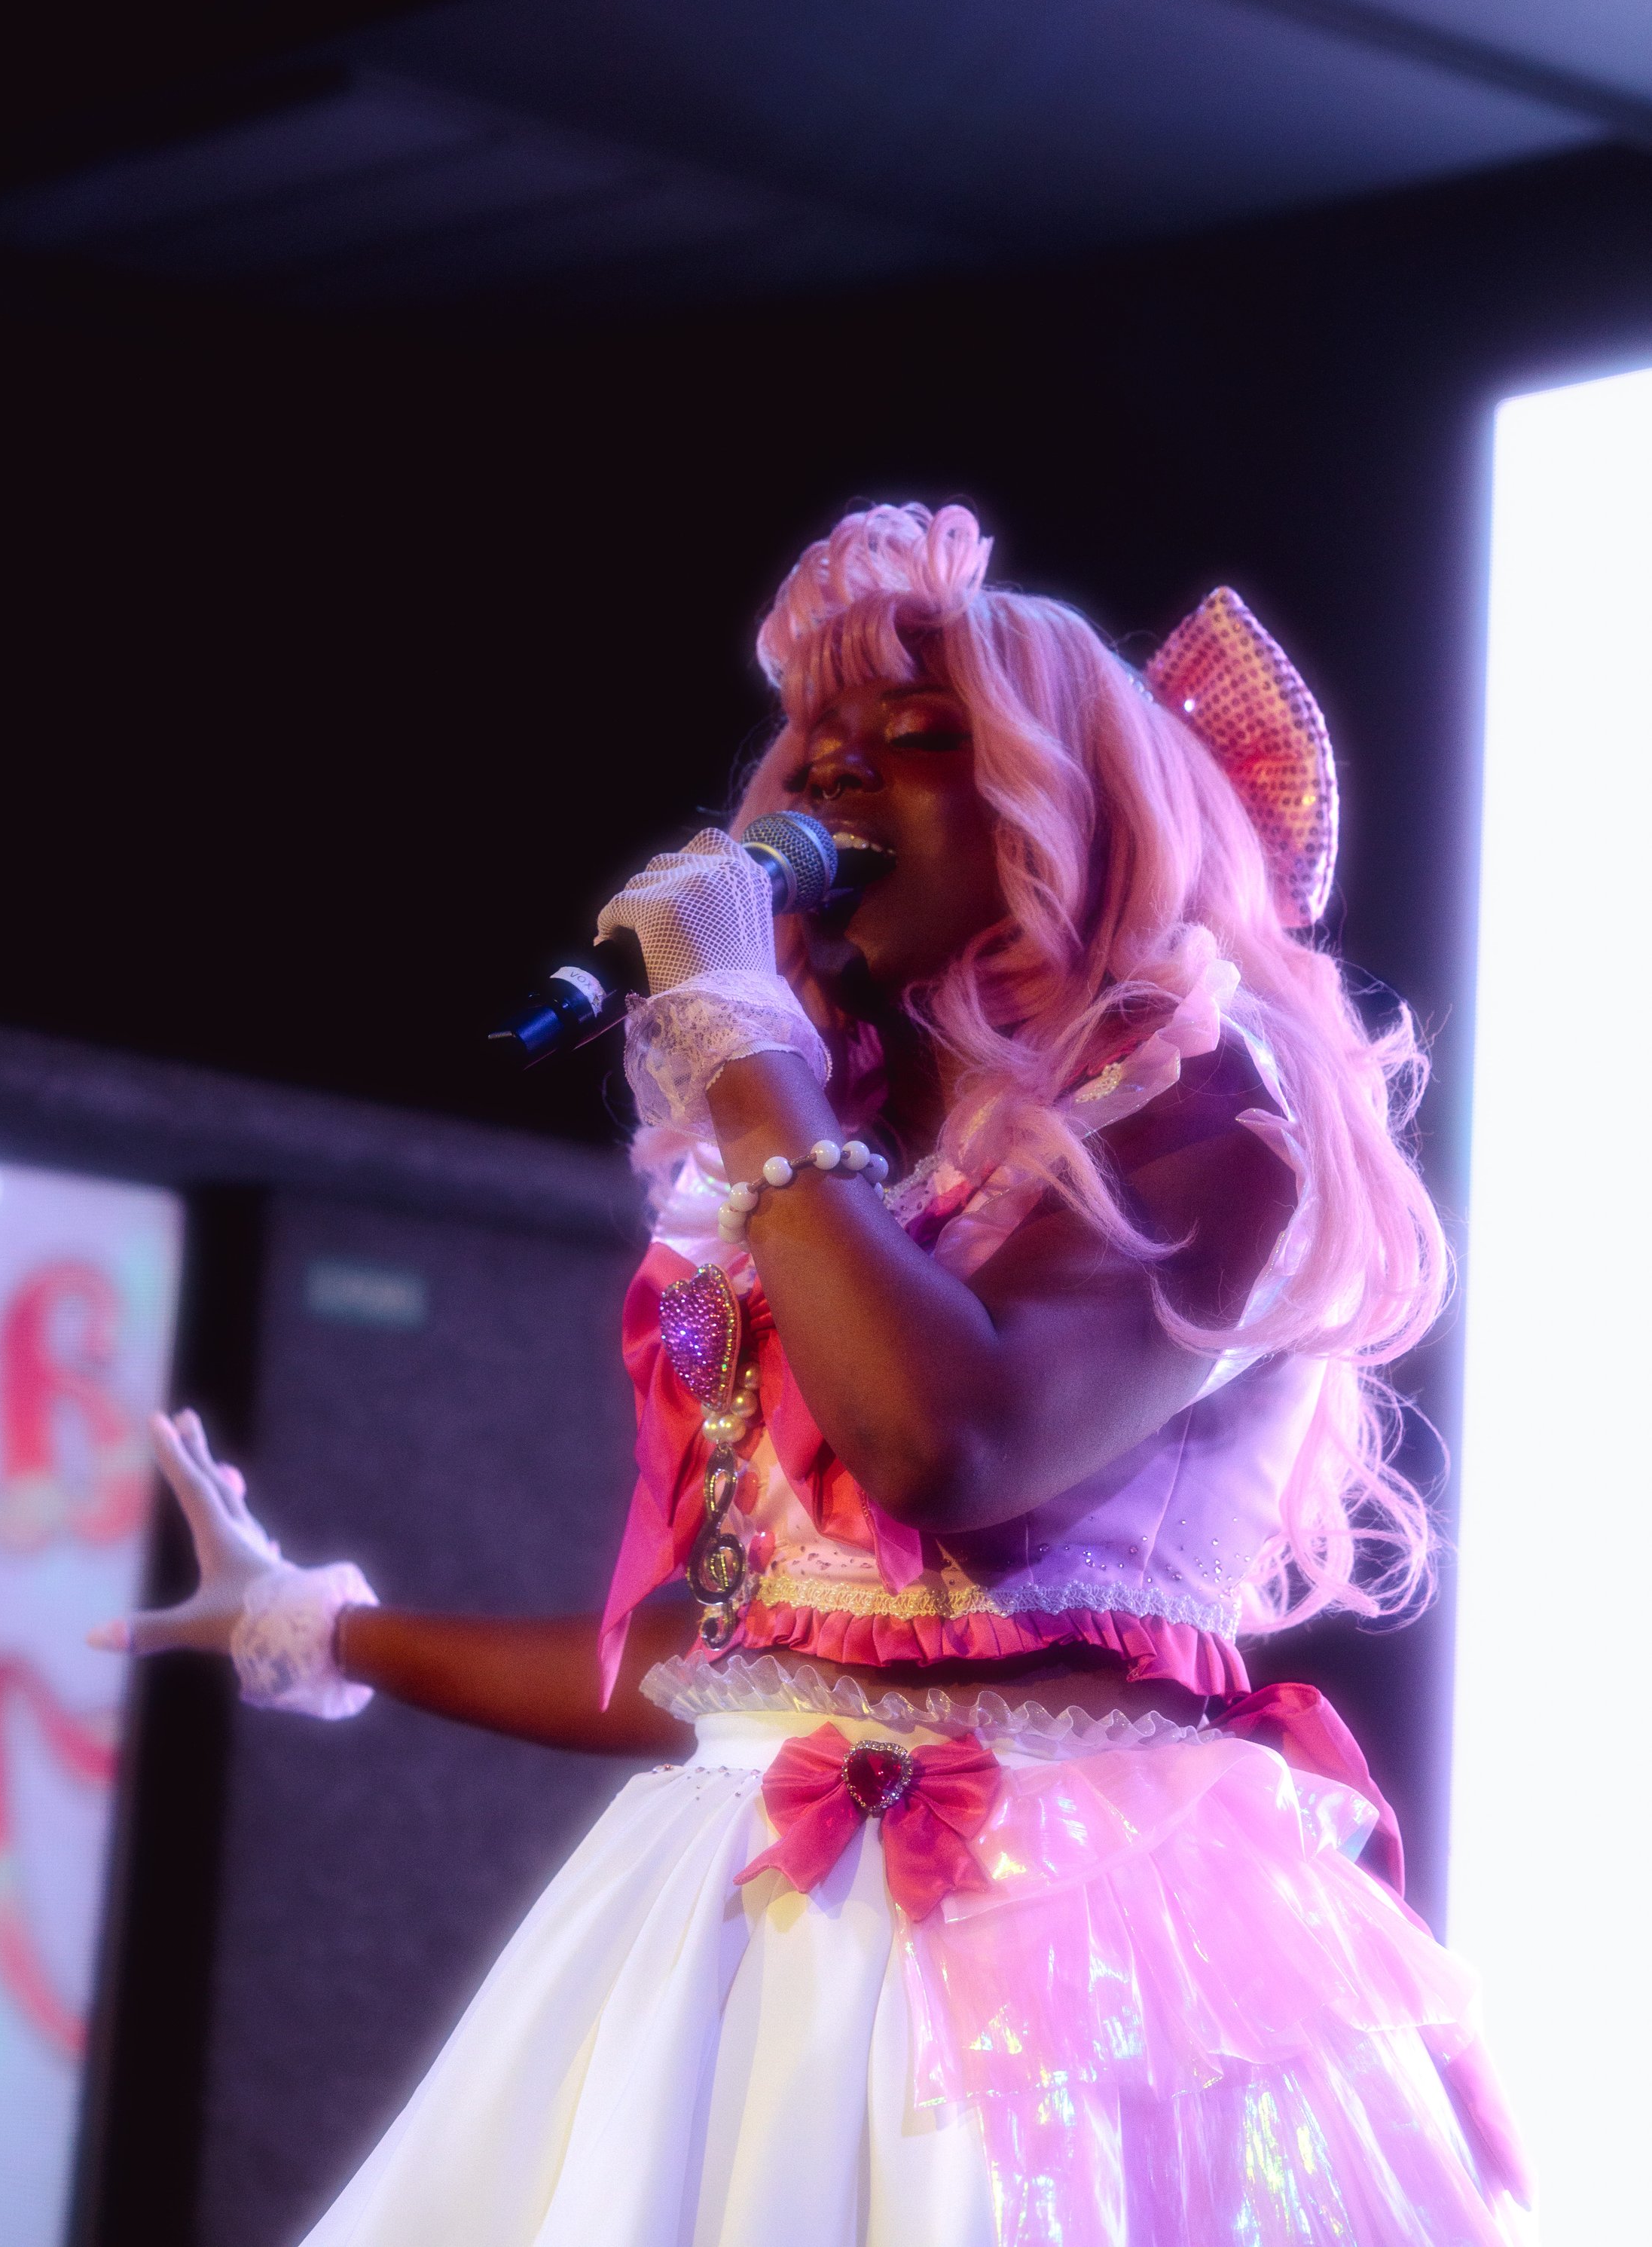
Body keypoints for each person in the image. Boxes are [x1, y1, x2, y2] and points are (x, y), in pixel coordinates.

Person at [102, 503, 1531, 2245]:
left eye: (917, 749)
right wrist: (319, 1628)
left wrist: (741, 1049)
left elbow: (944, 1439)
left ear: (1071, 812)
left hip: (1083, 1952)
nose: (832, 796)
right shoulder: (819, 1168)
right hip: (742, 1928)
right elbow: (723, 1662)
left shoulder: (1213, 1113)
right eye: (816, 760)